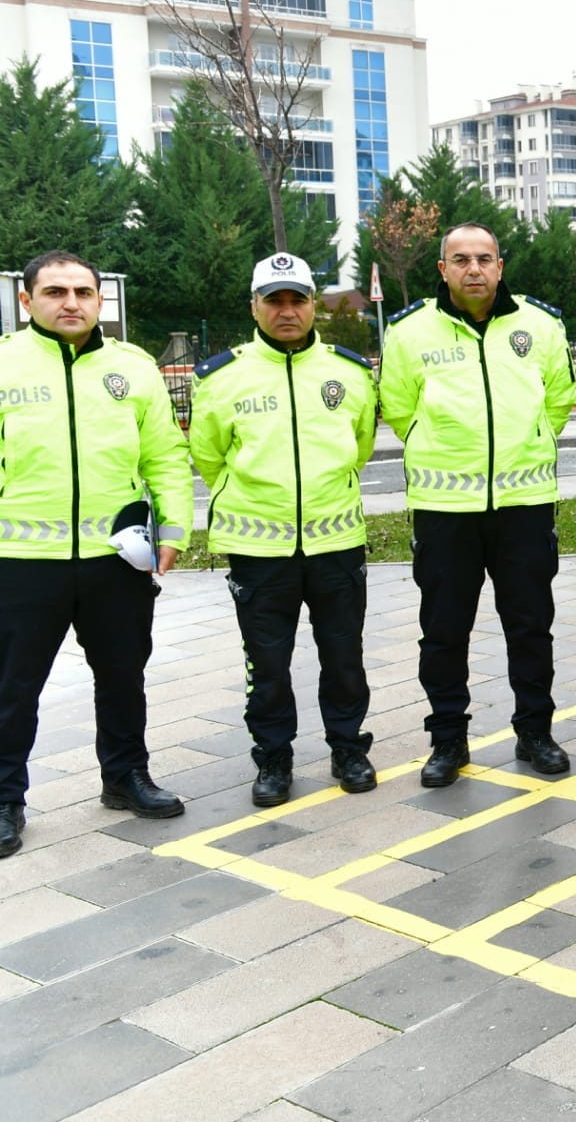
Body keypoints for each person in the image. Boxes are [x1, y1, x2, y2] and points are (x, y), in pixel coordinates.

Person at [0, 250, 194, 854]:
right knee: (12, 687)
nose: (72, 302)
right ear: (27, 302)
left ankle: (126, 777)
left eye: (83, 292)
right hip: (21, 561)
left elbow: (164, 454)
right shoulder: (4, 363)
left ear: (99, 301)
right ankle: (6, 798)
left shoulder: (132, 368)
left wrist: (175, 532)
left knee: (121, 676)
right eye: (55, 292)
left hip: (115, 559)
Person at [381, 223, 576, 788]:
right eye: (460, 259)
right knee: (444, 632)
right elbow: (397, 405)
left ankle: (534, 732)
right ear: (442, 269)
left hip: (524, 506)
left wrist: (533, 437)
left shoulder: (541, 325)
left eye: (484, 259)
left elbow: (559, 398)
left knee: (531, 627)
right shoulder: (410, 331)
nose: (473, 269)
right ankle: (448, 739)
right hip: (445, 511)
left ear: (500, 265)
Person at [188, 252, 379, 807]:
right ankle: (273, 757)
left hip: (336, 543)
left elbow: (360, 447)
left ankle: (348, 747)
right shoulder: (222, 377)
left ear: (314, 304)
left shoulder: (348, 372)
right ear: (255, 306)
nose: (288, 311)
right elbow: (208, 457)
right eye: (275, 300)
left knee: (343, 656)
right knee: (266, 664)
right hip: (258, 549)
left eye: (298, 299)